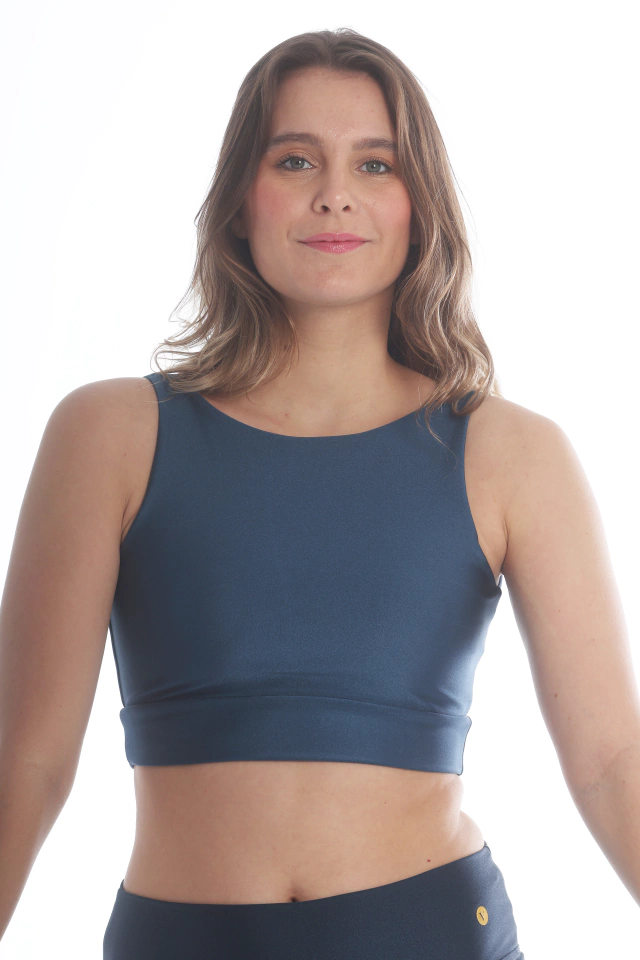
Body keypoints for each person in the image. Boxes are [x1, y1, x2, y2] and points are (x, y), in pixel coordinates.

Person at [1, 27, 638, 960]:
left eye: (375, 164)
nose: (334, 193)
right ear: (239, 203)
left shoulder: (511, 453)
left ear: (419, 206)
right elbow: (27, 761)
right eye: (295, 159)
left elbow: (613, 762)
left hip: (429, 933)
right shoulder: (109, 435)